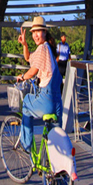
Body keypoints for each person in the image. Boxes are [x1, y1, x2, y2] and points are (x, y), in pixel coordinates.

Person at [16, 16, 62, 156]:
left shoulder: (43, 48)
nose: (35, 35)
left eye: (39, 31)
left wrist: (22, 77)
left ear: (45, 32)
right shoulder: (47, 48)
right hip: (57, 103)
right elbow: (29, 58)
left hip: (46, 99)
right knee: (52, 138)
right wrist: (25, 45)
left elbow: (33, 71)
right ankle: (48, 165)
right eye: (33, 32)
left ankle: (27, 145)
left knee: (26, 104)